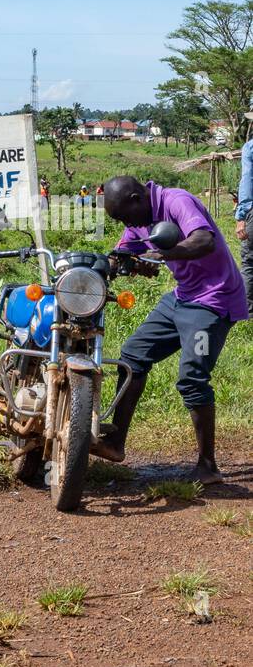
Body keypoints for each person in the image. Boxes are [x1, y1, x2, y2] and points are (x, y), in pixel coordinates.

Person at [93, 176, 248, 484]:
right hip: (182, 297)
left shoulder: (177, 201)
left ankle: (208, 466)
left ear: (137, 198)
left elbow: (205, 240)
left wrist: (162, 254)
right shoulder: (139, 218)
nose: (125, 222)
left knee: (192, 377)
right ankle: (115, 443)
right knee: (132, 357)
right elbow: (123, 251)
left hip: (213, 302)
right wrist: (106, 264)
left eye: (124, 216)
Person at [235, 108, 253, 298]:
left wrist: (241, 217)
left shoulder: (250, 148)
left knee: (249, 263)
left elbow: (247, 181)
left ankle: (248, 313)